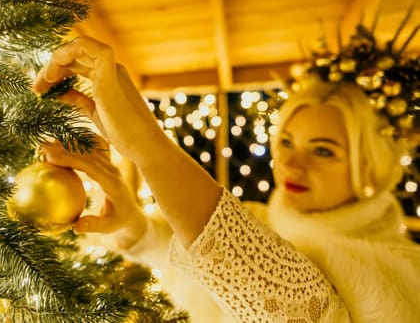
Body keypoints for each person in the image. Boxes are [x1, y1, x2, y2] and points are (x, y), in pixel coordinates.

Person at [33, 36, 420, 322]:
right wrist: (131, 221)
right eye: (286, 142)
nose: (292, 164)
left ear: (368, 166)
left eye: (323, 150)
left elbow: (299, 305)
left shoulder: (404, 272)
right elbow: (178, 249)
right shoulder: (258, 219)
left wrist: (148, 146)